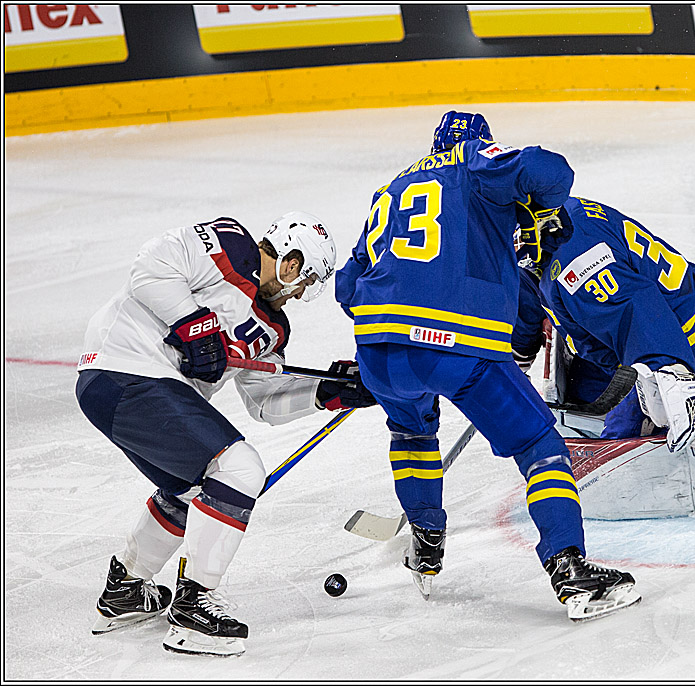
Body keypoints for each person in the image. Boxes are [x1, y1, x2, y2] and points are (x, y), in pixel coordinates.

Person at [334, 111, 641, 622]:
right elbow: (551, 170)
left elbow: (348, 286)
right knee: (537, 445)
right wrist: (542, 209)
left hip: (379, 349)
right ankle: (569, 567)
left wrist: (388, 338)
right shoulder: (476, 164)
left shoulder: (391, 190)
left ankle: (427, 540)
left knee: (411, 433)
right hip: (455, 342)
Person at [76, 212, 376, 656]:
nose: (301, 293)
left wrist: (327, 390)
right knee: (238, 467)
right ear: (291, 264)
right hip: (123, 365)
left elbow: (264, 402)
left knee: (197, 487)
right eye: (306, 281)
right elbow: (150, 268)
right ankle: (193, 609)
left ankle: (125, 590)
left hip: (132, 387)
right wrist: (193, 325)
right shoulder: (230, 245)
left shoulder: (272, 327)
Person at [512, 197, 695, 519]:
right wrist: (515, 357)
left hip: (679, 335)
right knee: (576, 401)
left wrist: (666, 371)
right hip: (627, 337)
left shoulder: (577, 258)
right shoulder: (548, 221)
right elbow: (529, 282)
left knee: (615, 466)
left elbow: (637, 310)